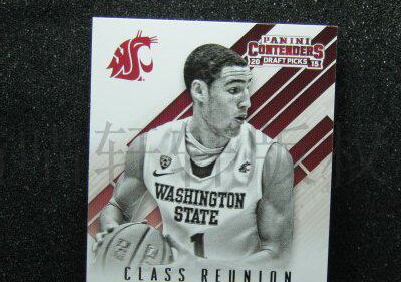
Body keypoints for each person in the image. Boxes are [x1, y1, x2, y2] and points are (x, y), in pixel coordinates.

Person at [96, 44, 294, 266]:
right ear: (199, 91)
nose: (246, 101)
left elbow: (278, 256)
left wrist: (200, 269)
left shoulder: (271, 157)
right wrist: (113, 232)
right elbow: (117, 206)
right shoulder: (149, 147)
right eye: (233, 90)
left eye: (247, 89)